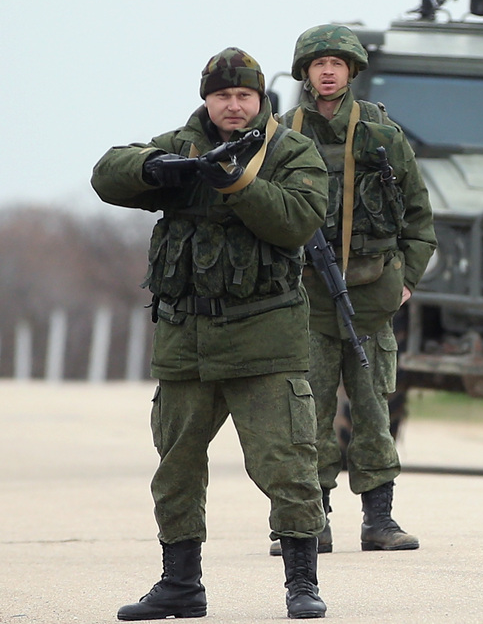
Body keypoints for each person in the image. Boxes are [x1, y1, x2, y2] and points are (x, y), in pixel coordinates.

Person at [91, 47, 331, 619]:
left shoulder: (290, 150)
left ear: (259, 99)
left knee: (287, 465)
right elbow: (108, 173)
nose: (233, 105)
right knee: (175, 466)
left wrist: (235, 182)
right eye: (222, 96)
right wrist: (157, 169)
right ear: (206, 100)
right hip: (185, 338)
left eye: (243, 96)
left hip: (265, 340)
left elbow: (299, 218)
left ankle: (302, 583)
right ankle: (181, 584)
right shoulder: (180, 145)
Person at [268, 24, 437, 556]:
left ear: (351, 71)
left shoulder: (382, 135)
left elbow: (419, 217)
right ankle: (309, 521)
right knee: (307, 413)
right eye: (318, 63)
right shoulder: (280, 134)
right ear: (305, 72)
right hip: (304, 297)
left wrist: (406, 280)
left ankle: (379, 520)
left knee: (371, 408)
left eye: (337, 63)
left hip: (369, 295)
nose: (327, 71)